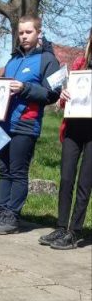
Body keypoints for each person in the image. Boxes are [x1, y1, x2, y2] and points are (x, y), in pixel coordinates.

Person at [0, 16, 61, 235]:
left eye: (29, 32)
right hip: (3, 123)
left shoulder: (47, 60)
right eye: (21, 33)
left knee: (17, 171)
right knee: (4, 170)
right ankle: (0, 211)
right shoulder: (13, 60)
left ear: (38, 33)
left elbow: (53, 94)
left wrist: (24, 88)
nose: (24, 36)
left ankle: (12, 217)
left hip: (26, 124)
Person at [39, 30, 92, 250]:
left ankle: (74, 231)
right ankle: (61, 226)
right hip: (72, 128)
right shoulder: (80, 63)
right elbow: (65, 101)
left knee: (84, 183)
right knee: (66, 179)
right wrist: (63, 96)